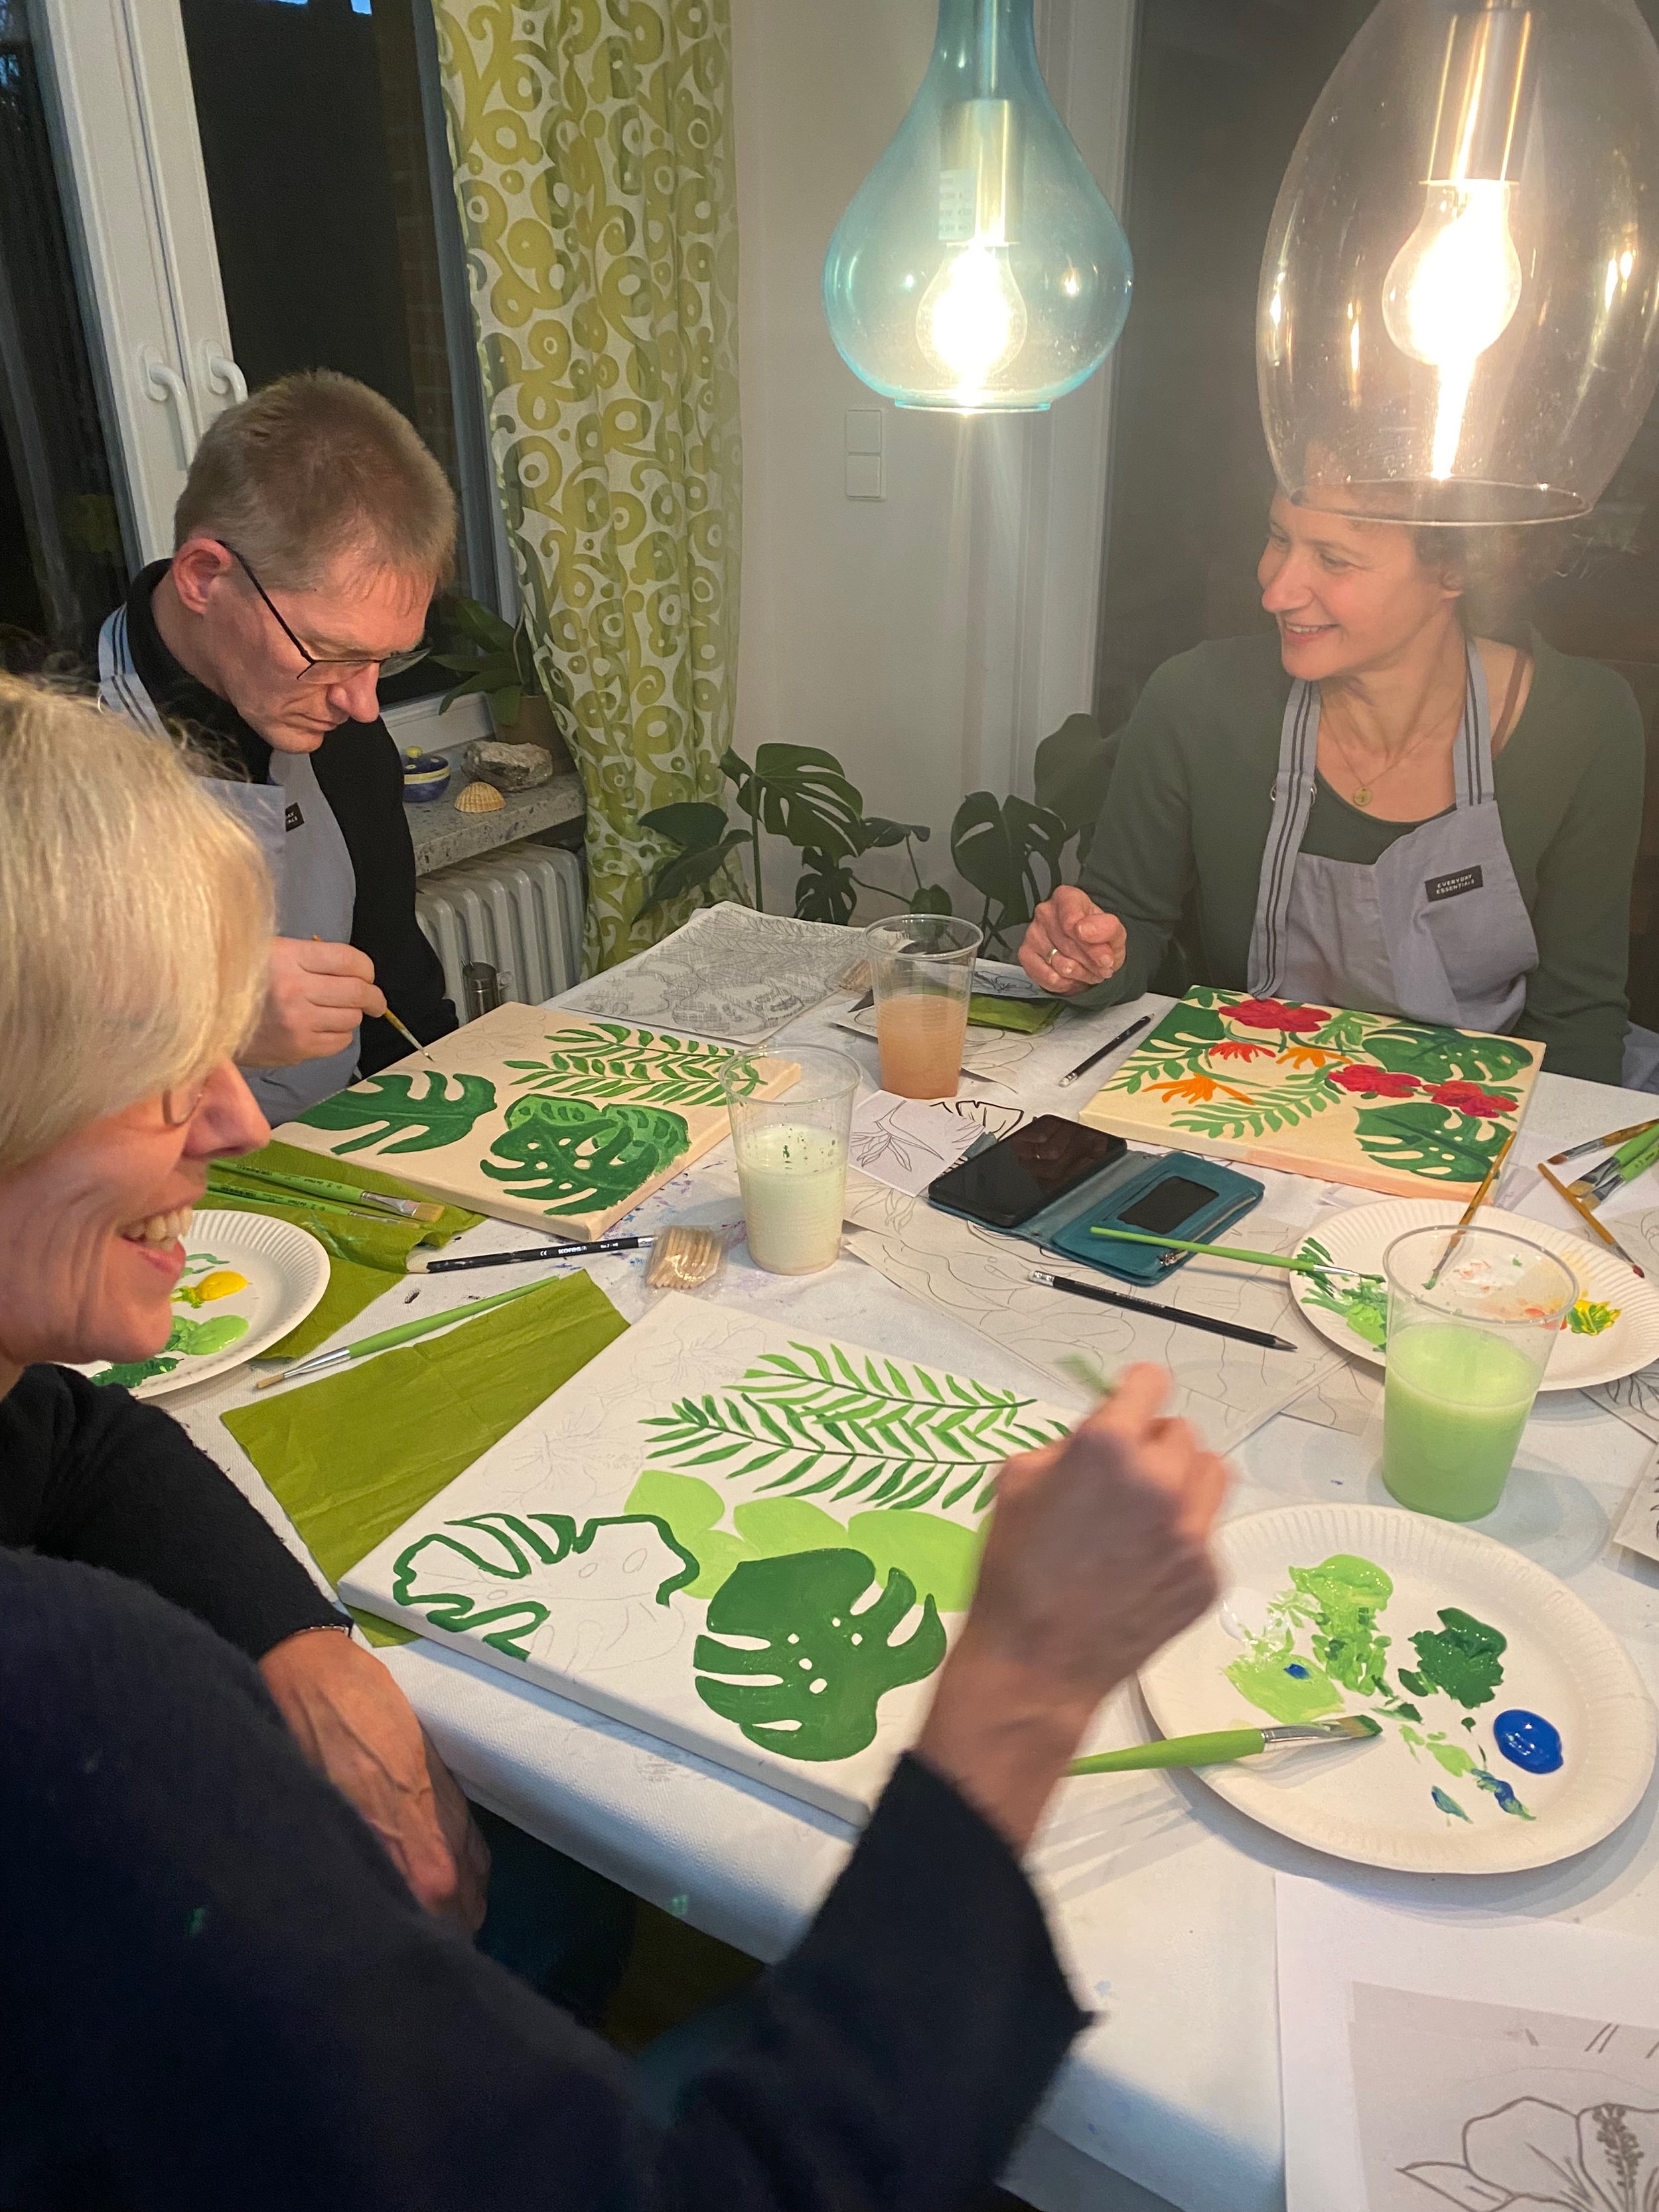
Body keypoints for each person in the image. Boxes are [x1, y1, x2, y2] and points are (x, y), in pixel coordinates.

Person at [0, 674, 1228, 2209]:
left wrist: (298, 1639)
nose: (244, 1125)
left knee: (559, 1897)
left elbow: (63, 1440)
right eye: (164, 1073)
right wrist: (1026, 1685)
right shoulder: (65, 1696)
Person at [1021, 494, 1645, 1084]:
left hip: (1478, 1125)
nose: (1276, 590)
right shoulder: (1195, 699)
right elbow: (1127, 923)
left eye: (1333, 558)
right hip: (1250, 1099)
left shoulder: (1580, 721)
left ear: (1456, 566)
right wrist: (1085, 956)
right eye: (1278, 537)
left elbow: (1576, 1022)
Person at [98, 370, 458, 1120]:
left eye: (385, 661)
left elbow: (400, 999)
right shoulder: (38, 749)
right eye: (326, 650)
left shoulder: (343, 731)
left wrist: (461, 1121)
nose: (362, 703)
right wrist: (205, 1019)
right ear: (204, 576)